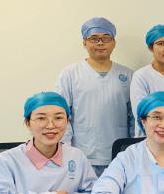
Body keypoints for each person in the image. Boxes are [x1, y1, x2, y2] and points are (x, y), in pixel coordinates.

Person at [0, 92, 97, 194]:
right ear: (28, 123)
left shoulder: (76, 156)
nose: (51, 125)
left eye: (59, 118)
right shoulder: (7, 161)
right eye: (41, 118)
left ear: (67, 121)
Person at [55, 17, 133, 175]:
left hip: (119, 154)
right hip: (82, 154)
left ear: (114, 43)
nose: (100, 43)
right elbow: (60, 115)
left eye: (106, 38)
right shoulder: (70, 74)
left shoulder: (128, 75)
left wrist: (132, 149)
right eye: (94, 38)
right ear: (84, 43)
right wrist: (66, 151)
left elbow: (135, 118)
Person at [130, 24, 164, 137]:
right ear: (151, 47)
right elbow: (141, 113)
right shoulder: (141, 76)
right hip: (149, 139)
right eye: (161, 44)